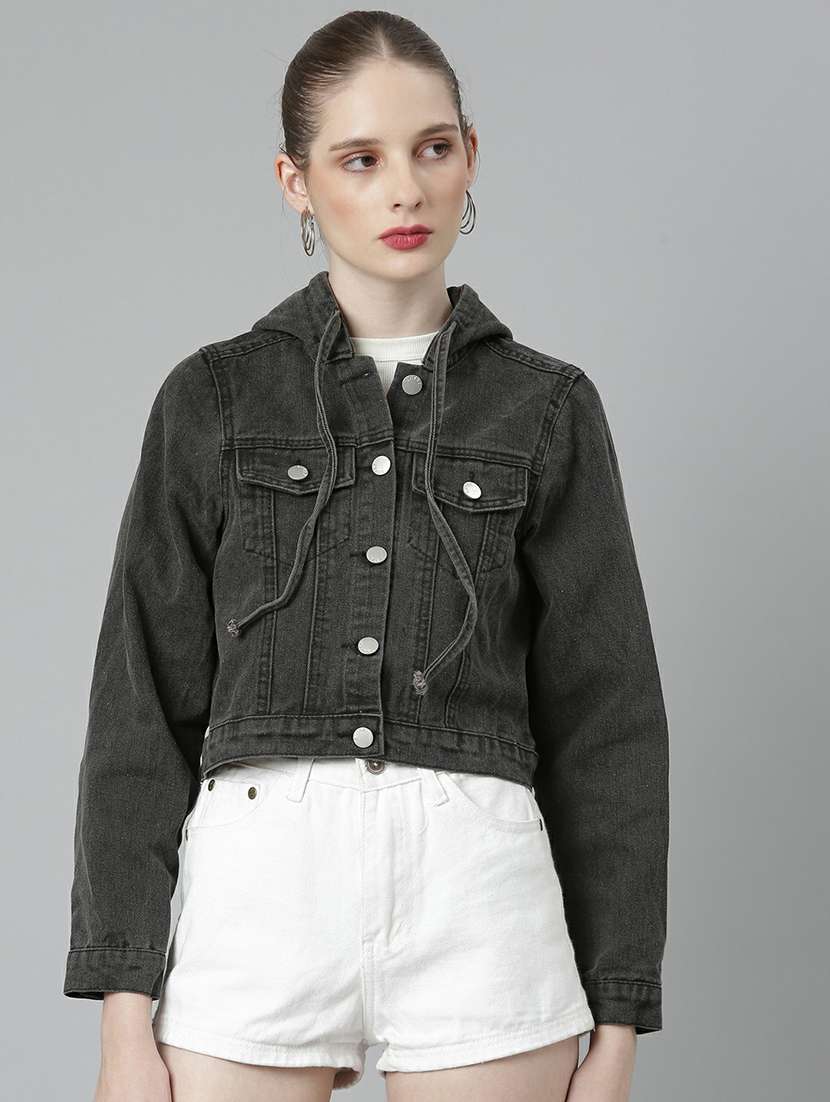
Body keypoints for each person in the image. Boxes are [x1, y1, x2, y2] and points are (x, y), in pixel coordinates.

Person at [64, 11, 669, 1102]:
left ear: (469, 156)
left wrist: (617, 1021)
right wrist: (122, 1017)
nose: (404, 190)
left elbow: (607, 720)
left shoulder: (546, 409)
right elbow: (139, 711)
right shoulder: (213, 399)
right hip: (260, 895)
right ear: (295, 182)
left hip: (479, 896)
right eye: (360, 159)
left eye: (431, 148)